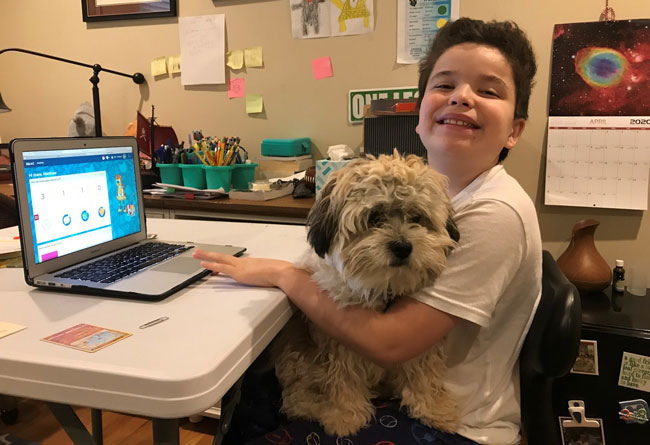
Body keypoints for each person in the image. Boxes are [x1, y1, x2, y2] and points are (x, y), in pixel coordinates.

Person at [193, 17, 541, 445]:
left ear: (515, 129)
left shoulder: (496, 213)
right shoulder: (442, 187)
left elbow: (389, 343)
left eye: (488, 91)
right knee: (248, 396)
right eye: (445, 85)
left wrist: (285, 275)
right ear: (419, 111)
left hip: (455, 422)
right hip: (384, 389)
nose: (462, 98)